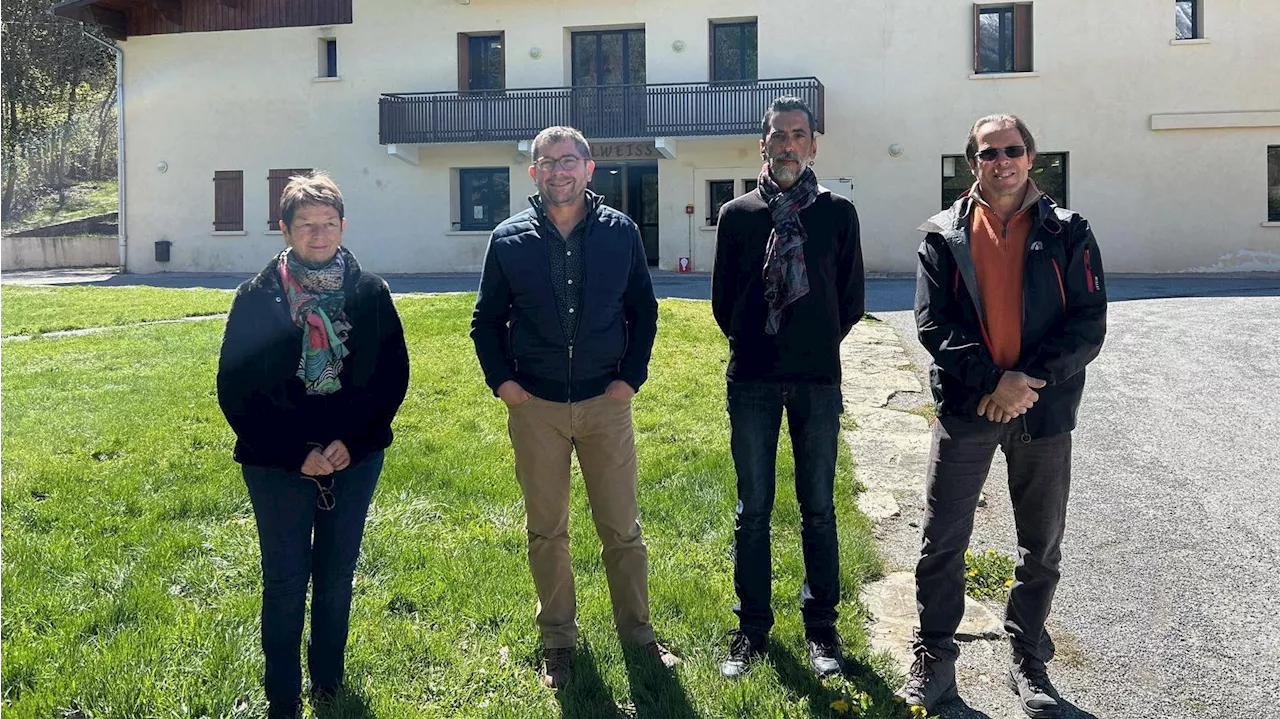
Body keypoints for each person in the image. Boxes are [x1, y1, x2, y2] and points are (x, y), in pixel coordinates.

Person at [896, 114, 1107, 718]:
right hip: (968, 407)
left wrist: (1024, 385)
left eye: (1013, 150)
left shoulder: (1070, 231)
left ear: (1031, 157)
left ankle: (1027, 659)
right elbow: (933, 325)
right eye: (989, 153)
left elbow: (1088, 323)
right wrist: (994, 382)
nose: (1003, 161)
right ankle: (935, 657)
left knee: (1040, 545)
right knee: (942, 541)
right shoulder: (943, 234)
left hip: (1042, 411)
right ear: (973, 163)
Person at [469, 125, 678, 689]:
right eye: (547, 162)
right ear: (533, 172)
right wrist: (504, 385)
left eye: (569, 160)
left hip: (605, 403)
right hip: (536, 406)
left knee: (621, 528)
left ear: (589, 168)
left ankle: (638, 636)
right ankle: (558, 641)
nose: (559, 171)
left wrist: (629, 380)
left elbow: (644, 310)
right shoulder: (509, 238)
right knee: (547, 530)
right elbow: (486, 321)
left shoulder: (621, 232)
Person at [217, 172, 409, 719]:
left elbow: (391, 377)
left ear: (343, 226)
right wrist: (295, 452)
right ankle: (282, 697)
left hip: (354, 458)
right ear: (285, 230)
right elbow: (236, 386)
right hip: (277, 461)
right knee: (283, 579)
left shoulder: (369, 292)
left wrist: (355, 440)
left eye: (328, 224)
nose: (318, 235)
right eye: (306, 225)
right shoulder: (257, 297)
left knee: (335, 574)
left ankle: (328, 683)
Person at [711, 96, 865, 679]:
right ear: (764, 144)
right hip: (751, 380)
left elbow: (850, 300)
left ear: (814, 144)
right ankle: (751, 628)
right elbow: (723, 303)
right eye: (779, 135)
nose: (789, 145)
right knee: (753, 510)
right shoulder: (738, 214)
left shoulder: (837, 213)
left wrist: (813, 340)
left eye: (799, 135)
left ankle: (821, 628)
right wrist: (760, 341)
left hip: (817, 382)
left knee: (818, 509)